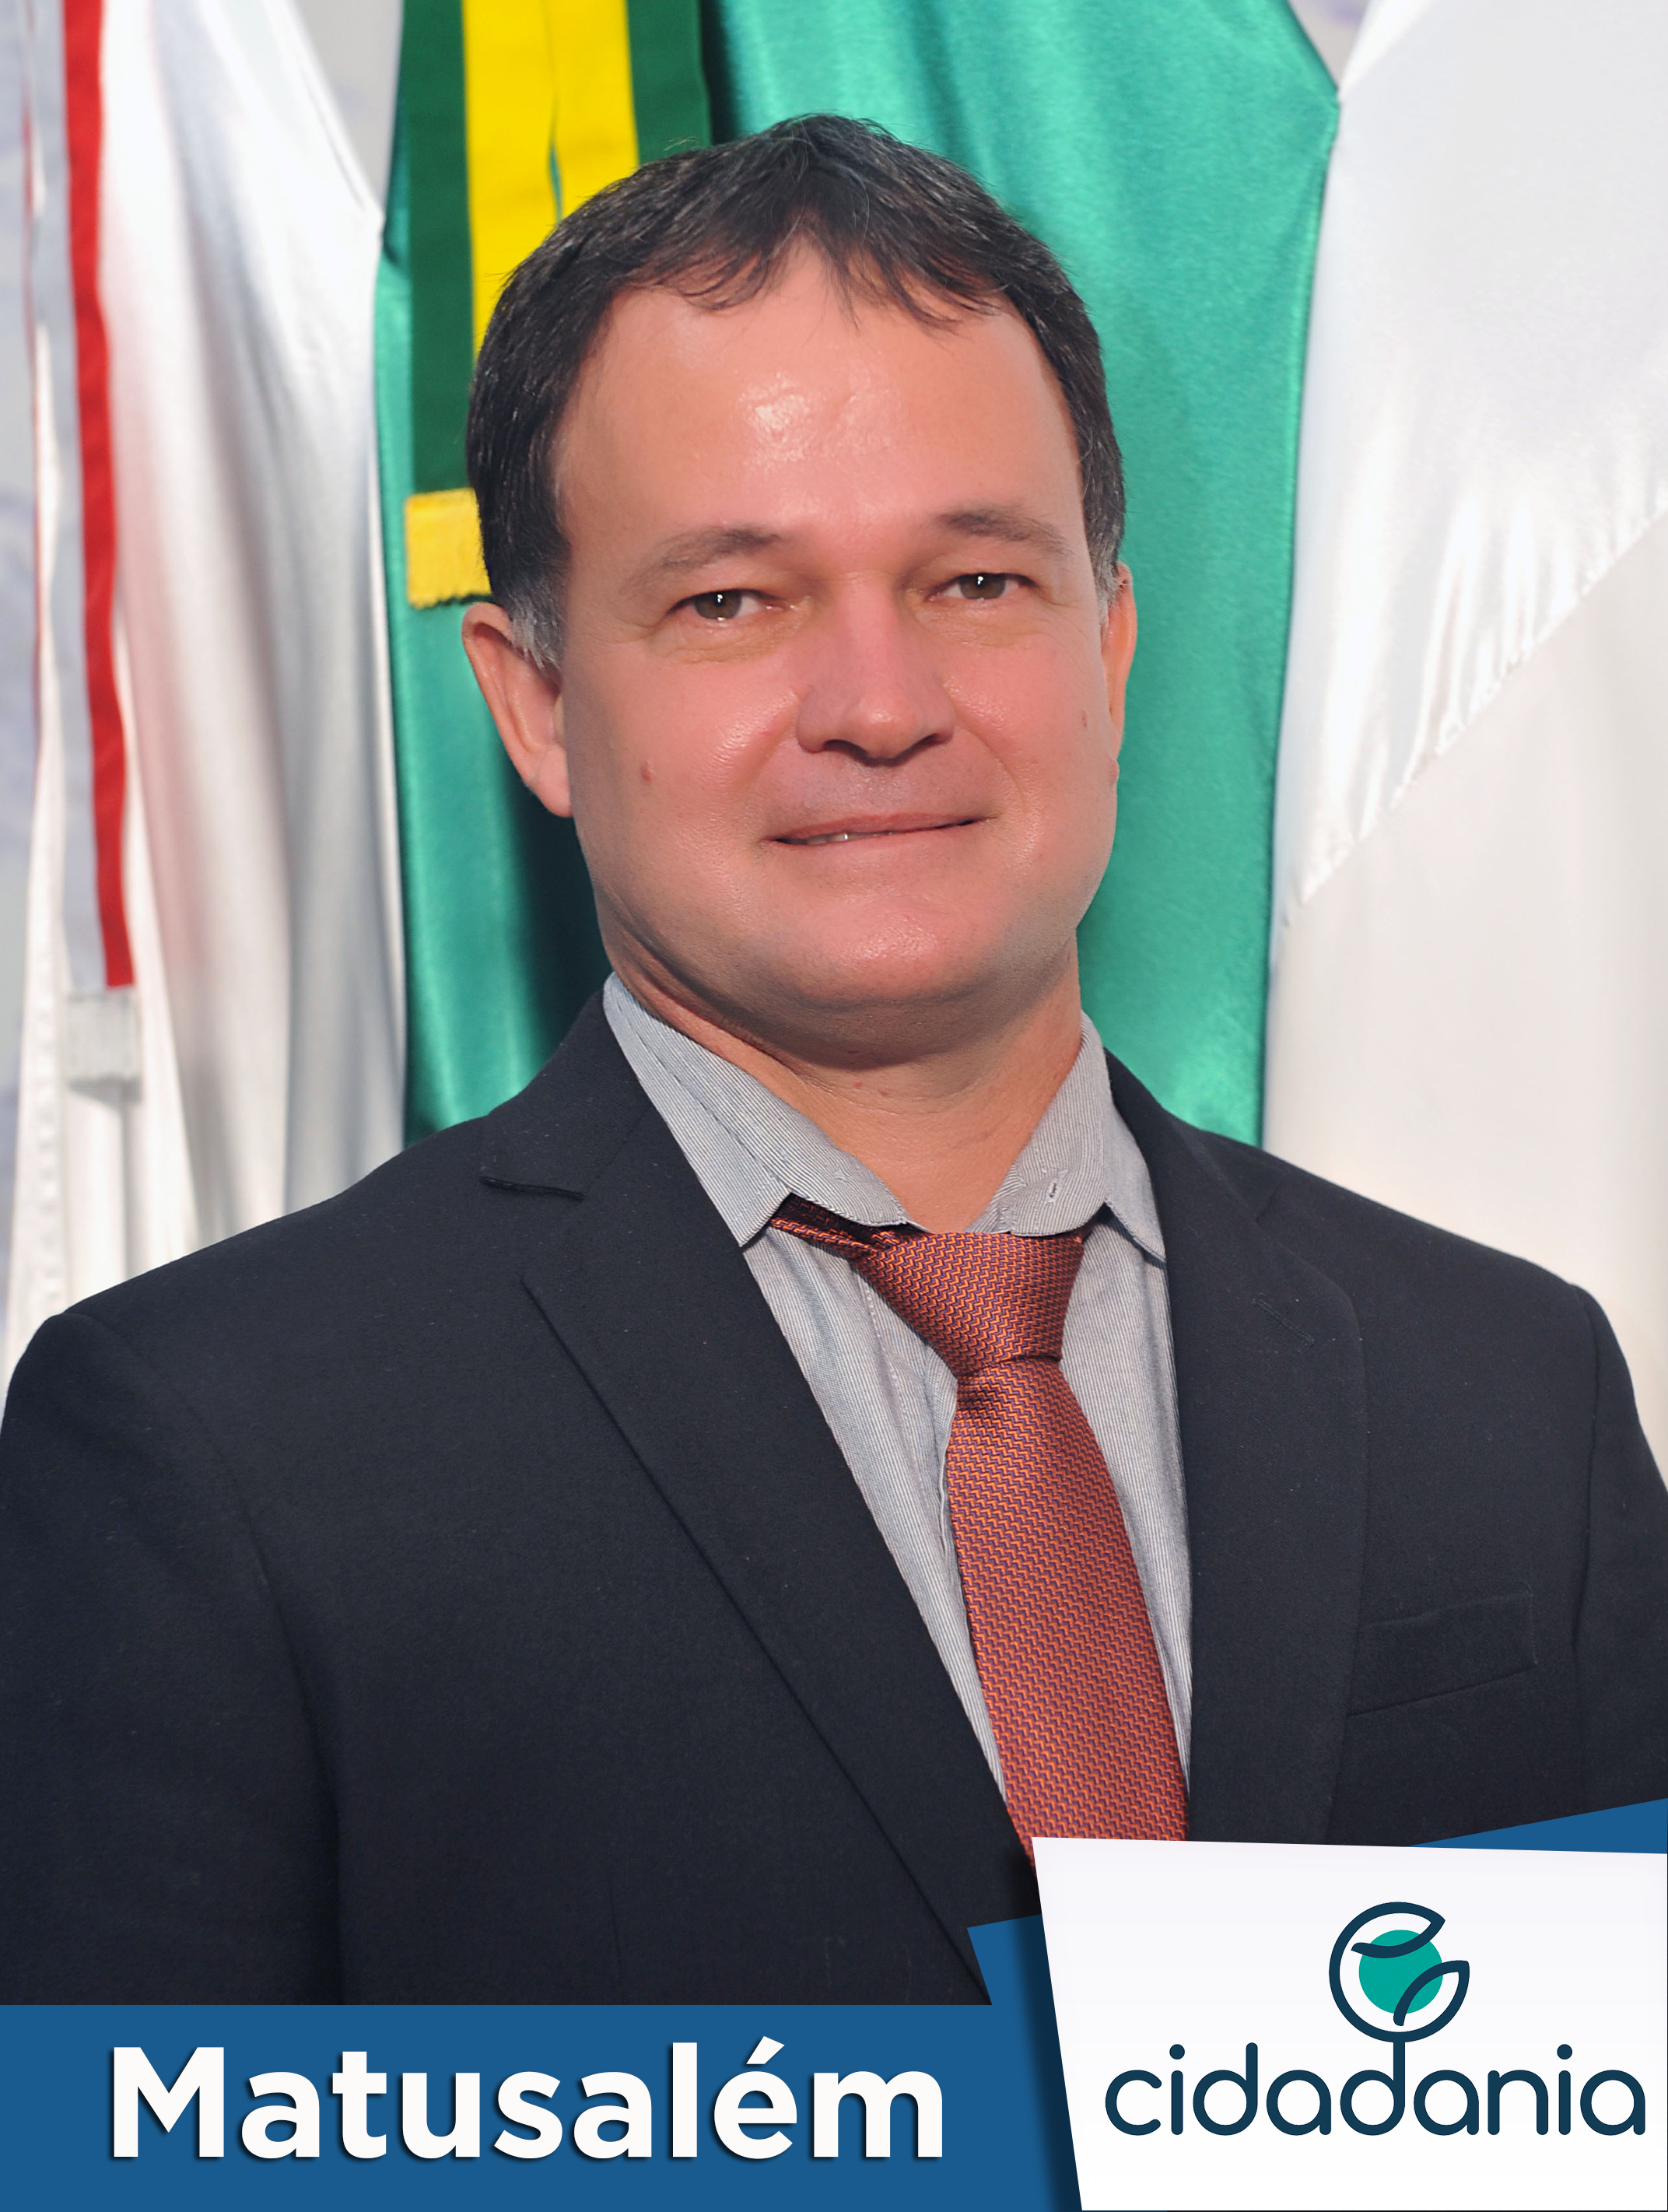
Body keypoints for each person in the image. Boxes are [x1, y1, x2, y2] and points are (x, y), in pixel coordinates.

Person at [2, 117, 1663, 2006]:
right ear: (535, 702)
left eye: (976, 583)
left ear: (1112, 648)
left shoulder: (1507, 1393)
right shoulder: (215, 1447)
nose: (880, 705)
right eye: (732, 601)